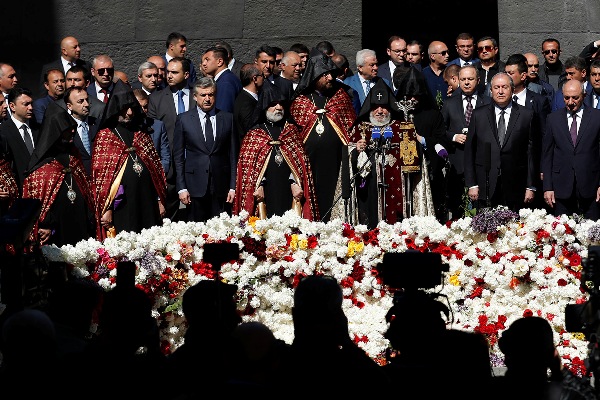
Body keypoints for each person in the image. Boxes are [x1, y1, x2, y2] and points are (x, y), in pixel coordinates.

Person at [276, 275, 391, 396]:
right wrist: (348, 343)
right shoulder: (354, 371)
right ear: (340, 318)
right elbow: (384, 385)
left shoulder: (274, 364)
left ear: (295, 316)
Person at [350, 78, 435, 228]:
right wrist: (357, 149)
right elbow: (348, 154)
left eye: (384, 107)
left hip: (399, 189)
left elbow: (417, 156)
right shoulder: (361, 128)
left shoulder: (401, 127)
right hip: (369, 189)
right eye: (375, 107)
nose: (380, 111)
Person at [91, 81, 167, 240]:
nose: (130, 113)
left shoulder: (141, 133)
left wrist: (159, 199)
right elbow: (102, 180)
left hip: (147, 202)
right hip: (122, 206)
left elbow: (156, 170)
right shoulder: (105, 136)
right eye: (126, 108)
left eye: (132, 107)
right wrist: (107, 208)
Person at [233, 82, 318, 220]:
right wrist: (258, 185)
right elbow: (248, 170)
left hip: (289, 190)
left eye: (281, 104)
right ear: (265, 106)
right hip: (265, 192)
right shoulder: (255, 134)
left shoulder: (291, 131)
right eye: (273, 104)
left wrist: (295, 183)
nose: (278, 108)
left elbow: (300, 163)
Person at [290, 53, 357, 223]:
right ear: (315, 76)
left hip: (336, 163)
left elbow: (351, 128)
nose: (330, 78)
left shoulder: (341, 97)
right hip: (310, 165)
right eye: (325, 74)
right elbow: (293, 138)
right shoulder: (300, 101)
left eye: (331, 74)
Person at [21, 102, 95, 247]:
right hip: (56, 229)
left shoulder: (74, 158)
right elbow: (38, 198)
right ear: (56, 131)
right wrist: (45, 222)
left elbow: (86, 189)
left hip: (80, 223)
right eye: (67, 129)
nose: (72, 132)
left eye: (72, 128)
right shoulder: (42, 168)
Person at [464, 72, 538, 212]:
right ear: (491, 91)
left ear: (512, 89)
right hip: (485, 182)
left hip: (516, 184)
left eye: (504, 87)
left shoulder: (526, 115)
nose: (500, 91)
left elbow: (531, 154)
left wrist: (530, 186)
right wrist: (472, 183)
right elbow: (470, 151)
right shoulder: (478, 114)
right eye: (496, 87)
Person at [173, 77, 238, 222]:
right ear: (195, 97)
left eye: (211, 94)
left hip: (222, 186)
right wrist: (181, 187)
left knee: (221, 232)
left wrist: (233, 186)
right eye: (203, 95)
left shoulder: (228, 118)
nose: (207, 99)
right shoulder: (184, 119)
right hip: (194, 186)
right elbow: (178, 157)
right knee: (196, 232)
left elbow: (233, 155)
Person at [166, 279, 242, 399]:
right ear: (214, 315)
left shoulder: (175, 365)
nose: (239, 319)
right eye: (231, 311)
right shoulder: (237, 362)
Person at [490, 316, 596, 400]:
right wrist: (560, 371)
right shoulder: (564, 395)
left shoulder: (493, 389)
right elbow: (590, 397)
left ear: (507, 357)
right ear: (551, 356)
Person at [396, 67, 450, 222]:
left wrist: (422, 140)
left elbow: (442, 140)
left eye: (416, 96)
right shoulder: (398, 113)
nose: (412, 100)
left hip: (426, 170)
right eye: (409, 96)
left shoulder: (432, 114)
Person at [542, 79, 600, 220]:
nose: (570, 102)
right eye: (566, 97)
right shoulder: (553, 119)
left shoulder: (597, 117)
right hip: (561, 185)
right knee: (562, 233)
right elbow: (547, 155)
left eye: (575, 98)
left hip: (590, 185)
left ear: (584, 96)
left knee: (592, 234)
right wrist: (548, 187)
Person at [147, 56, 195, 221]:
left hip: (195, 164)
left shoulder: (198, 95)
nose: (169, 76)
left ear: (186, 75)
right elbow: (153, 133)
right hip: (170, 168)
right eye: (168, 72)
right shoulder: (156, 99)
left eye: (174, 72)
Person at [441, 65, 490, 220]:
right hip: (458, 161)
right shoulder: (449, 103)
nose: (467, 83)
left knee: (481, 206)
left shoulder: (487, 102)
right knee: (457, 207)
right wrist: (454, 137)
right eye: (463, 79)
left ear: (478, 80)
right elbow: (441, 130)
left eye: (470, 79)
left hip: (481, 162)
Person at [0, 87, 38, 189]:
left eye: (31, 103)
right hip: (17, 190)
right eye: (26, 104)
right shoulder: (3, 131)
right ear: (12, 106)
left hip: (40, 188)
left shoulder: (39, 129)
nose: (31, 108)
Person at [133, 89, 170, 175]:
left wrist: (158, 174)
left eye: (145, 107)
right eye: (139, 107)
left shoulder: (158, 126)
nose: (143, 110)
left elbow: (165, 156)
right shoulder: (125, 128)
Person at [64, 86, 99, 175]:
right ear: (69, 106)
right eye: (81, 101)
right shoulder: (65, 128)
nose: (86, 104)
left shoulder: (98, 124)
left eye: (87, 100)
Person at [200, 46, 242, 113]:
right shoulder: (226, 78)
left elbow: (223, 114)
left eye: (207, 59)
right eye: (203, 61)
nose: (204, 64)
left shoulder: (225, 82)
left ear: (220, 62)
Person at [233, 63, 264, 140]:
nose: (264, 78)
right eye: (262, 75)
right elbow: (250, 129)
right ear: (255, 79)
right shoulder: (246, 103)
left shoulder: (245, 97)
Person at [422, 40, 450, 108]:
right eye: (443, 53)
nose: (447, 55)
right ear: (433, 56)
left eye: (447, 52)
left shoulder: (450, 72)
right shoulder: (423, 74)